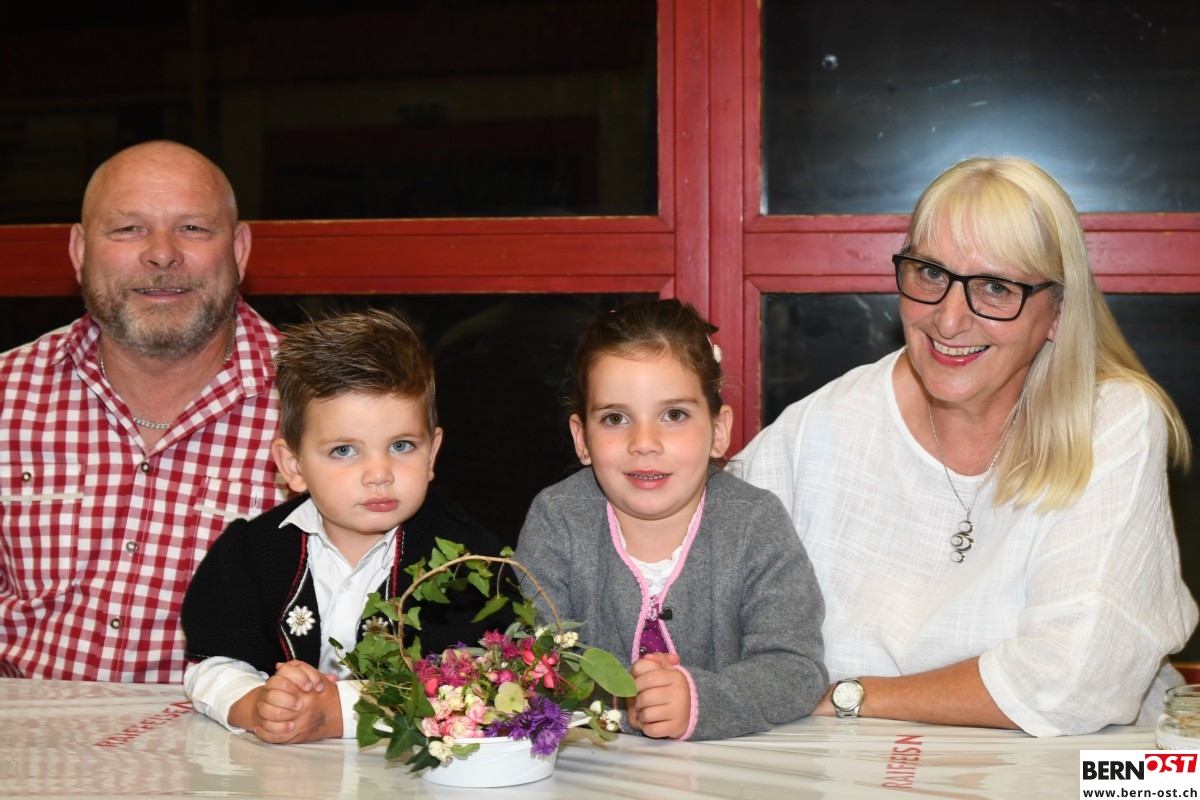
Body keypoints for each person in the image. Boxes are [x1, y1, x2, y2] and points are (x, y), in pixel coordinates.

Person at [732, 156, 1197, 737]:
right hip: (853, 763)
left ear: (1057, 311)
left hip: (1084, 767)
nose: (949, 320)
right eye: (931, 274)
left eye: (996, 288)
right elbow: (696, 562)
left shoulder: (1111, 421)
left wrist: (848, 696)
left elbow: (1076, 679)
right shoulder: (824, 424)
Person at [0, 140, 284, 683]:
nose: (161, 254)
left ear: (240, 249)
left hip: (230, 734)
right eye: (128, 229)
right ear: (79, 250)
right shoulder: (7, 394)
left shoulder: (322, 407)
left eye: (192, 228)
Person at [181, 309, 509, 744]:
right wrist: (257, 704)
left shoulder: (470, 565)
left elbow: (478, 681)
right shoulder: (248, 554)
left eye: (401, 445)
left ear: (432, 454)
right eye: (343, 451)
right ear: (293, 466)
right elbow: (212, 662)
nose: (379, 473)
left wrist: (342, 711)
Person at [515, 298, 827, 741]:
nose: (644, 442)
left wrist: (701, 699)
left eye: (674, 415)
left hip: (730, 766)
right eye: (615, 418)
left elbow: (796, 669)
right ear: (582, 438)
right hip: (593, 769)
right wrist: (627, 702)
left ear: (718, 430)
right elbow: (534, 665)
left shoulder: (756, 523)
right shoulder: (557, 521)